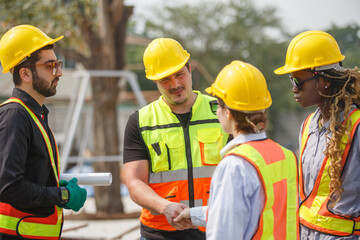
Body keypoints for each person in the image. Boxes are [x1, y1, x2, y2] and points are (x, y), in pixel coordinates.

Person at [174, 60, 299, 239]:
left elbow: (225, 231)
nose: (216, 112)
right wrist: (194, 214)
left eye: (218, 105)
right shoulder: (285, 156)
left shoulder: (235, 165)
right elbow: (259, 211)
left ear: (228, 113)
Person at [123, 38, 229, 240]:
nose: (175, 84)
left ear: (189, 69)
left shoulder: (222, 111)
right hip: (159, 233)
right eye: (165, 79)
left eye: (179, 74)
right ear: (154, 80)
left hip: (215, 229)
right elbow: (135, 182)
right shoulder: (140, 121)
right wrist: (165, 207)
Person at [0, 25, 87, 240]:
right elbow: (9, 186)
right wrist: (62, 195)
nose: (59, 72)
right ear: (25, 73)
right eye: (50, 66)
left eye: (58, 64)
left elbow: (29, 175)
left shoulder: (33, 114)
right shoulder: (15, 116)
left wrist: (52, 185)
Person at [274, 30, 360, 239]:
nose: (294, 89)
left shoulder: (357, 126)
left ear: (324, 80)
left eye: (298, 81)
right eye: (291, 80)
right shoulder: (307, 126)